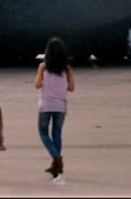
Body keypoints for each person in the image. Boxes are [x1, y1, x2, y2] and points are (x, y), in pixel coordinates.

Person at [35, 37, 74, 183]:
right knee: (57, 133)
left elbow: (37, 84)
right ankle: (56, 165)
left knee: (43, 132)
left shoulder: (43, 67)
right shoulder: (67, 69)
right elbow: (71, 88)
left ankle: (57, 159)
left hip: (45, 104)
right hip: (60, 106)